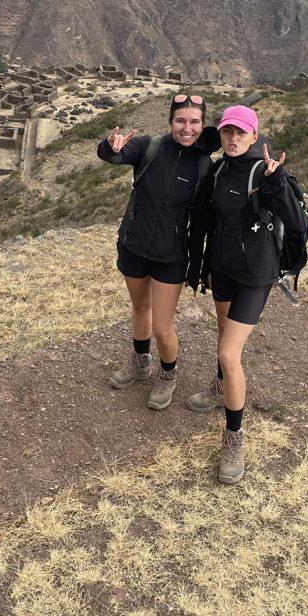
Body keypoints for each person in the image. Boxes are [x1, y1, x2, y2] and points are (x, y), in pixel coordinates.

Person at [186, 105, 306, 485]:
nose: (233, 139)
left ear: (255, 136)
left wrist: (277, 184)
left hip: (255, 276)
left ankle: (234, 435)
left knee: (227, 351)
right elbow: (209, 224)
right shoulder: (220, 170)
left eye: (240, 132)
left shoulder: (264, 172)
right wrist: (201, 265)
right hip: (222, 270)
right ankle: (222, 386)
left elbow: (298, 222)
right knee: (223, 335)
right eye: (227, 132)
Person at [97, 94, 220, 410]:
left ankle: (168, 373)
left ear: (202, 124)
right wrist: (110, 146)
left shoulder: (205, 167)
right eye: (181, 120)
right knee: (140, 308)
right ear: (170, 122)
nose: (187, 128)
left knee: (163, 327)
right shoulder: (148, 147)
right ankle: (140, 362)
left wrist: (195, 269)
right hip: (134, 246)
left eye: (194, 122)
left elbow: (201, 223)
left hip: (171, 256)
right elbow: (114, 156)